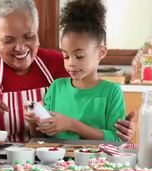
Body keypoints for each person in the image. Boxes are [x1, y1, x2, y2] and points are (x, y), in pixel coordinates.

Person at [0, 0, 134, 142]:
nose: (21, 48)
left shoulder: (59, 63)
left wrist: (119, 132)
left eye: (29, 36)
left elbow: (88, 118)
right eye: (8, 40)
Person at [25, 0, 127, 141]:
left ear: (101, 53)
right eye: (66, 56)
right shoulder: (56, 87)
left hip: (96, 162)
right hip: (57, 161)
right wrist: (33, 122)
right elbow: (42, 138)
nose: (71, 63)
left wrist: (72, 125)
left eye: (79, 56)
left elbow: (117, 139)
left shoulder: (111, 92)